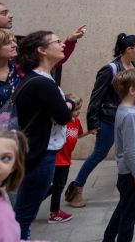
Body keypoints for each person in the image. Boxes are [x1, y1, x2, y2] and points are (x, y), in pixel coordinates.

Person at [65, 33, 135, 208]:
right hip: (109, 120)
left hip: (128, 118)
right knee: (98, 154)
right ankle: (76, 189)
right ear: (129, 49)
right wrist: (92, 123)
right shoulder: (110, 69)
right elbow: (96, 97)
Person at [12, 30, 74, 240]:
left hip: (38, 149)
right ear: (41, 50)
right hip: (41, 152)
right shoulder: (41, 82)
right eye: (57, 42)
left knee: (25, 206)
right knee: (25, 211)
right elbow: (64, 115)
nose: (62, 44)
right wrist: (71, 103)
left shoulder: (40, 78)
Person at [102, 68, 135, 242]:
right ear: (132, 90)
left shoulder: (127, 108)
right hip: (132, 172)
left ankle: (108, 238)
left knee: (124, 207)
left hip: (131, 170)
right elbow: (130, 149)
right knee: (131, 214)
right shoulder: (129, 114)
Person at [0, 2, 85, 72]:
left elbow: (45, 62)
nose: (11, 16)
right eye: (4, 13)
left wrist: (70, 41)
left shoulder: (15, 69)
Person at [47, 93, 85, 224]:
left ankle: (34, 201)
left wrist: (90, 132)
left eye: (79, 109)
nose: (77, 113)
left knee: (57, 185)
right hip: (58, 159)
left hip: (66, 160)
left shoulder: (76, 122)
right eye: (75, 110)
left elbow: (77, 136)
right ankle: (54, 213)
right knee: (58, 185)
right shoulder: (61, 122)